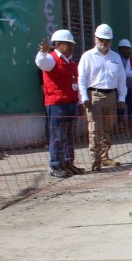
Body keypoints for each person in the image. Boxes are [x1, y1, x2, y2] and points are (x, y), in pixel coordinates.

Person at [77, 24, 126, 172]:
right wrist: (84, 97)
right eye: (102, 40)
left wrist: (122, 97)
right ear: (95, 38)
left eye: (107, 40)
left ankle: (105, 157)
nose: (104, 43)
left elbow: (121, 79)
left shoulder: (115, 57)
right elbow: (82, 79)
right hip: (95, 95)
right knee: (94, 129)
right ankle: (95, 160)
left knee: (107, 128)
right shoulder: (88, 56)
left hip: (111, 95)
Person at [35, 29, 84, 178]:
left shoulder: (71, 63)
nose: (71, 47)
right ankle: (55, 165)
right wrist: (42, 53)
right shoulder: (51, 59)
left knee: (69, 135)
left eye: (72, 45)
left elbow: (77, 83)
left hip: (70, 103)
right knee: (57, 135)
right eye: (68, 44)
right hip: (57, 104)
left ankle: (68, 163)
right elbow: (41, 62)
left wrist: (80, 102)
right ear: (58, 45)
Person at [116, 38, 132, 134]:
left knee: (131, 106)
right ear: (121, 49)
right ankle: (120, 126)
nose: (128, 51)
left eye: (129, 49)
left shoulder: (130, 59)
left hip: (130, 87)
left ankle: (130, 124)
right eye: (126, 49)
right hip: (120, 88)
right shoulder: (118, 59)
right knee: (121, 108)